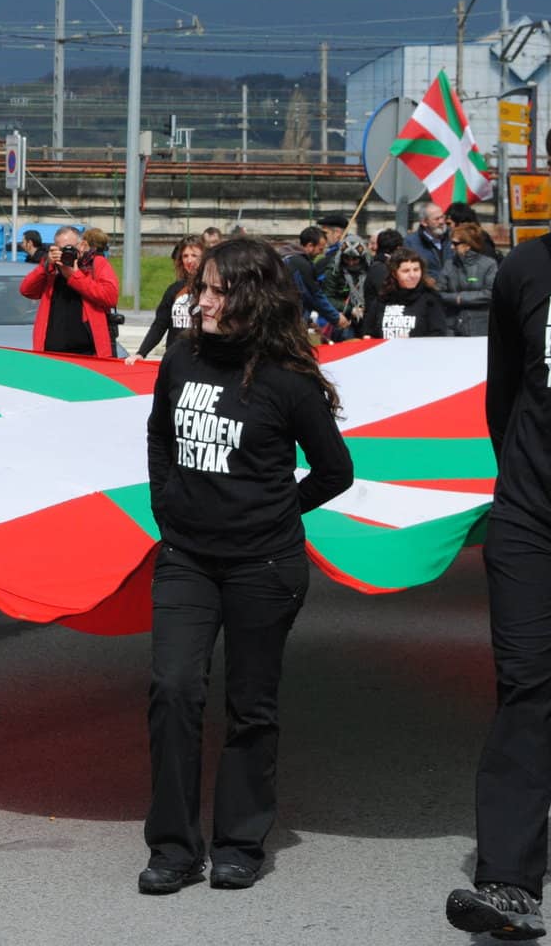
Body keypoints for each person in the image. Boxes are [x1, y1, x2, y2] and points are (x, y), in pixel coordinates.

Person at [139, 237, 353, 895]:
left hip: (265, 565)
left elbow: (335, 470)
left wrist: (278, 510)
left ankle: (239, 840)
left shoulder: (288, 379)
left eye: (215, 290)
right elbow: (159, 436)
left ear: (252, 299)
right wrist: (167, 504)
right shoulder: (179, 359)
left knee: (249, 706)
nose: (199, 299)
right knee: (174, 689)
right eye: (200, 286)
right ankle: (173, 846)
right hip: (187, 560)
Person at [445, 224, 551, 938]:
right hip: (530, 519)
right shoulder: (525, 267)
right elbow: (503, 396)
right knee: (526, 687)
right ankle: (509, 881)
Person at [18, 225, 120, 357]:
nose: (67, 253)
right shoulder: (52, 268)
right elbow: (26, 290)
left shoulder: (96, 264)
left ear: (82, 245)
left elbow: (110, 297)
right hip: (52, 353)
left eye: (70, 248)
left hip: (88, 353)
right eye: (61, 249)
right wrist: (46, 266)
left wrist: (74, 276)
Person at [127, 236, 201, 365]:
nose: (189, 260)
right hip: (175, 358)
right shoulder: (174, 289)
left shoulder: (213, 289)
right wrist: (141, 353)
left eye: (194, 255)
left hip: (201, 360)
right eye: (185, 256)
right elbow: (160, 324)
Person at [363, 248, 449, 339]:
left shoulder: (430, 298)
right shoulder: (382, 299)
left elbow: (438, 334)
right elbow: (368, 331)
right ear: (394, 274)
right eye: (406, 271)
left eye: (416, 270)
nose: (412, 275)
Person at [436, 222, 497, 337]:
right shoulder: (449, 264)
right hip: (452, 325)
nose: (451, 247)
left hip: (480, 325)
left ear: (468, 245)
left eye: (455, 243)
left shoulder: (489, 264)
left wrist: (461, 298)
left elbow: (490, 294)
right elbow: (438, 292)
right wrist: (456, 299)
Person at [281, 227, 344, 334]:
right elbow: (315, 296)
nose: (321, 253)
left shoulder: (284, 258)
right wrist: (336, 318)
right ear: (310, 246)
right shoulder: (302, 265)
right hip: (292, 322)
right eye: (320, 249)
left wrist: (309, 321)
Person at [405, 202, 454, 272]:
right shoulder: (411, 242)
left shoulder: (453, 236)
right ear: (424, 222)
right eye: (436, 219)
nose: (441, 222)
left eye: (442, 217)